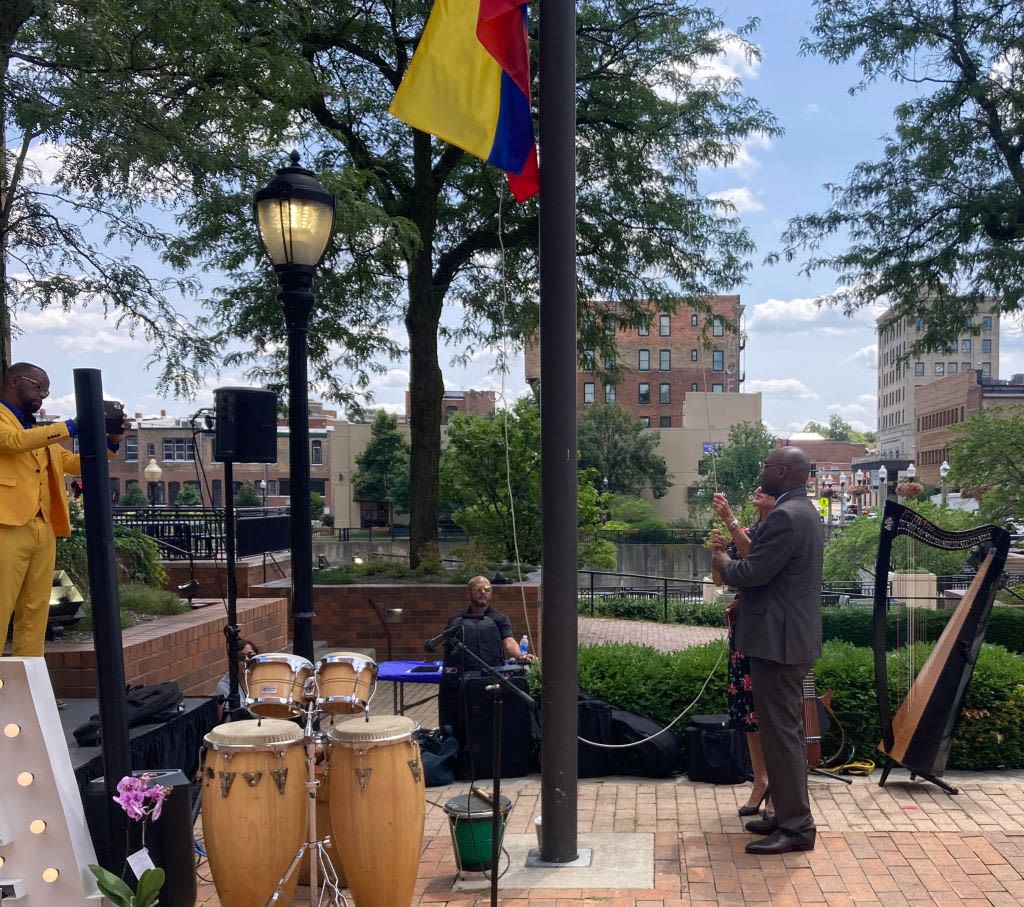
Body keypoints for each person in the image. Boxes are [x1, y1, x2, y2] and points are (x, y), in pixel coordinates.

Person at [711, 446, 823, 855]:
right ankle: (785, 814)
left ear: (782, 471)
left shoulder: (785, 517)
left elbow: (754, 571)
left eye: (765, 466)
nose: (761, 471)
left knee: (782, 737)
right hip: (788, 638)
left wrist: (723, 559)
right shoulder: (804, 512)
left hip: (779, 643)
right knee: (782, 734)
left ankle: (796, 827)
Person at [1, 363, 125, 657]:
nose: (42, 396)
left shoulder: (34, 428)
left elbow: (70, 463)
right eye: (38, 387)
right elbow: (12, 442)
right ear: (15, 381)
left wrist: (111, 443)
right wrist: (71, 426)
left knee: (35, 610)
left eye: (46, 391)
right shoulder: (8, 422)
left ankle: (29, 686)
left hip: (42, 526)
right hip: (7, 524)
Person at [710, 487, 775, 819]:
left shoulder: (771, 532)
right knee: (747, 712)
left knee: (769, 712)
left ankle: (776, 785)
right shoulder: (745, 532)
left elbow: (759, 564)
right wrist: (717, 554)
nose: (759, 492)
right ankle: (760, 779)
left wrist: (729, 518)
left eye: (765, 490)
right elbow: (720, 581)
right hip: (743, 632)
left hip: (767, 634)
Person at [215, 639, 259, 719]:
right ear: (233, 661)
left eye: (251, 656)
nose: (247, 660)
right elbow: (223, 718)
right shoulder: (224, 685)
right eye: (241, 657)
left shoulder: (263, 677)